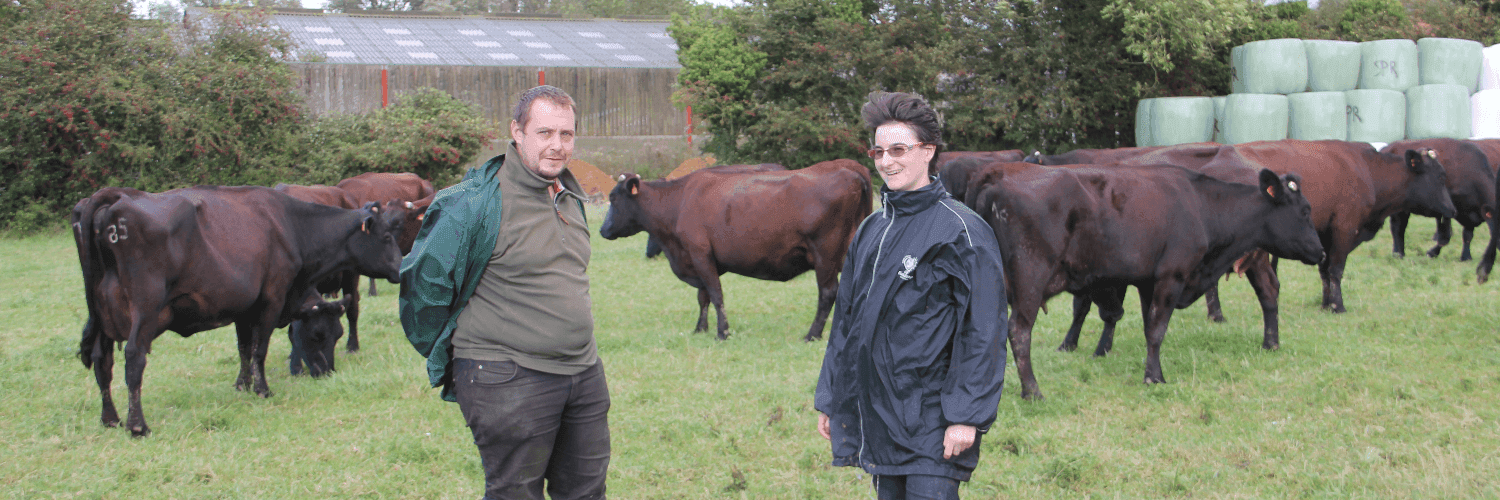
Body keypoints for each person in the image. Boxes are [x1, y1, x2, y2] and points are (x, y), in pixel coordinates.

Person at [400, 85, 608, 500]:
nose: (557, 146)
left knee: (586, 493)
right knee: (514, 494)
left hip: (582, 374)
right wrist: (462, 355)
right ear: (517, 131)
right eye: (544, 133)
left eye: (566, 135)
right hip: (508, 378)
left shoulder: (567, 196)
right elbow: (423, 287)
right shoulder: (473, 203)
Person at [814, 91, 1008, 499]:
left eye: (899, 149)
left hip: (933, 417)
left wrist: (966, 417)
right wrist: (834, 396)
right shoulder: (871, 230)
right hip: (881, 415)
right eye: (879, 151)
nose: (887, 161)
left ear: (928, 151)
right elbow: (846, 321)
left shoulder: (962, 232)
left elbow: (983, 331)